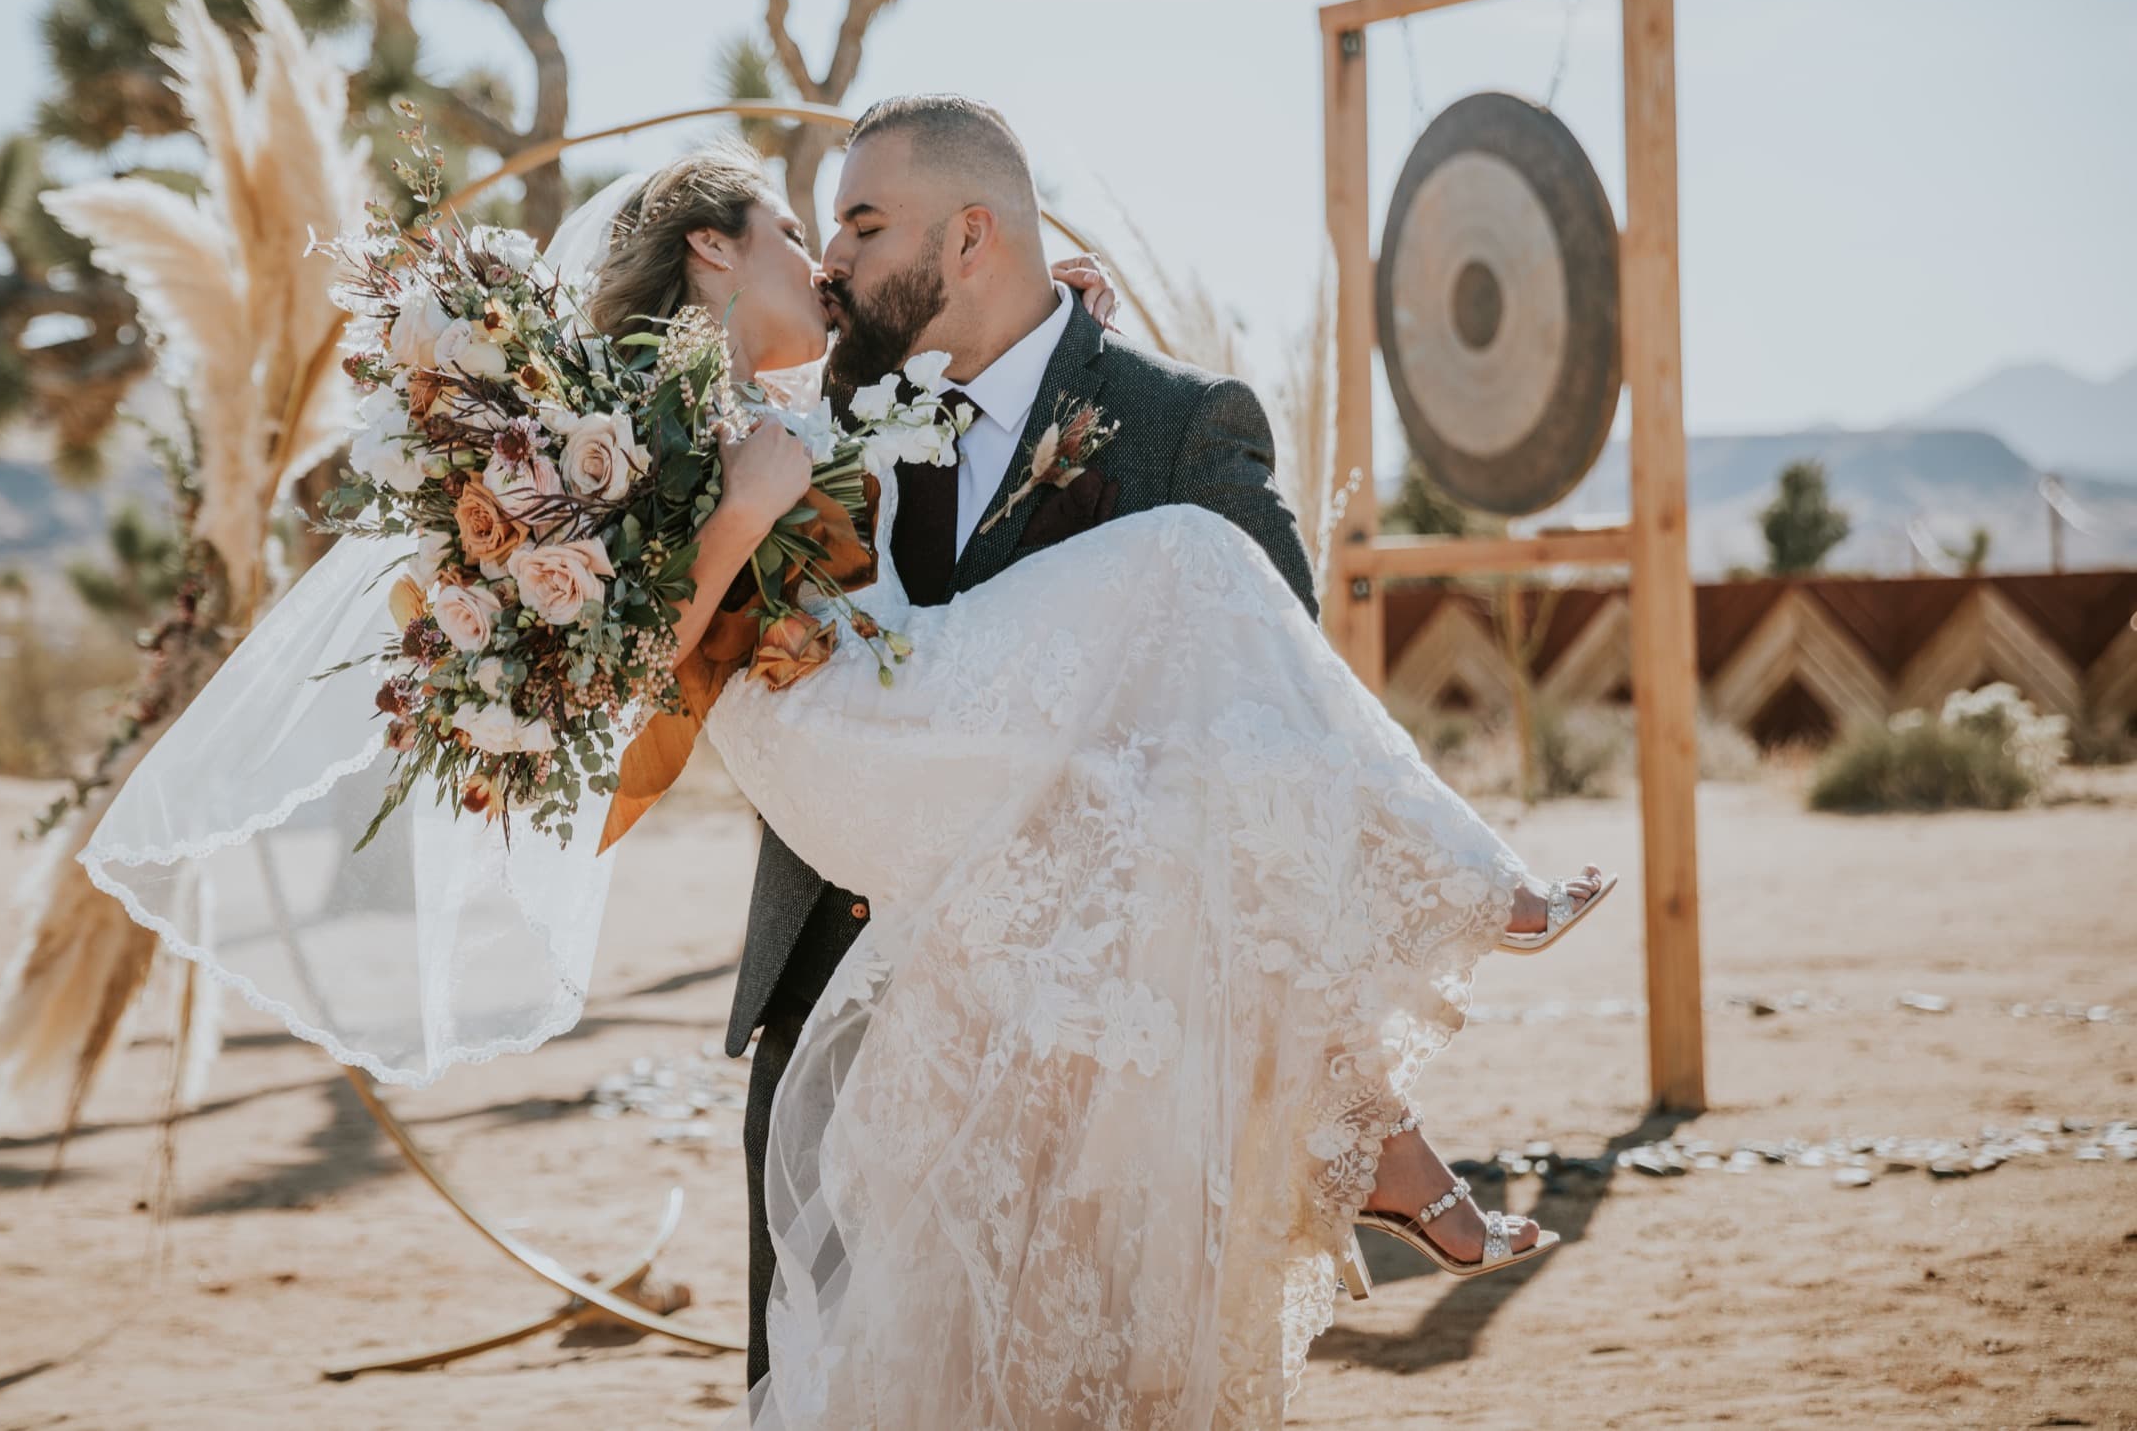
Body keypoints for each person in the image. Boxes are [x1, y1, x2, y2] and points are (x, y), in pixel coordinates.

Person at [78, 102, 1615, 1428]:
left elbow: (1252, 672)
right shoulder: (645, 427)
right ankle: (1459, 938)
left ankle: (1392, 1093)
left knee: (1194, 642)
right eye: (795, 234)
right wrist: (739, 511)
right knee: (829, 1366)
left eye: (854, 231)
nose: (823, 262)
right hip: (851, 828)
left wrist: (1038, 319)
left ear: (964, 240)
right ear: (711, 257)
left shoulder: (924, 399)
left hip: (1038, 944)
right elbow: (624, 665)